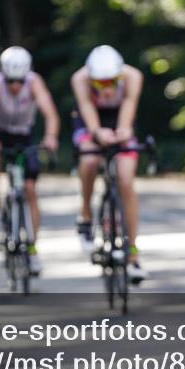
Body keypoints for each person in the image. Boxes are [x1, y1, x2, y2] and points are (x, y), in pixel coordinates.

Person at [0, 46, 60, 275]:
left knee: (30, 188)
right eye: (10, 81)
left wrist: (51, 137)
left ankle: (32, 249)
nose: (15, 86)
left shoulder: (34, 82)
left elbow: (50, 113)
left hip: (24, 134)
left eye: (19, 81)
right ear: (4, 75)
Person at [70, 45, 147, 283]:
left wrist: (123, 131)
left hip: (118, 119)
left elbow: (129, 108)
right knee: (91, 158)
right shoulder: (80, 79)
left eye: (110, 82)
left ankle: (132, 253)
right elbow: (87, 109)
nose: (106, 88)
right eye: (99, 83)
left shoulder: (133, 76)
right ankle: (85, 213)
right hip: (89, 121)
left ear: (119, 76)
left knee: (126, 179)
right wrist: (97, 133)